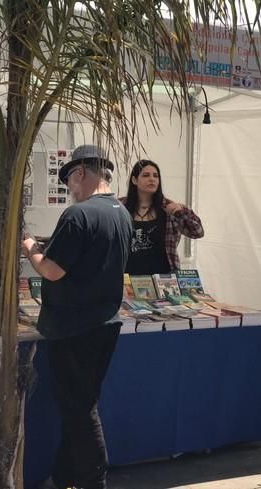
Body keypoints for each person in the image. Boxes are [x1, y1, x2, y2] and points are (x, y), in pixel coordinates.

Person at [22, 145, 133, 489]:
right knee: (82, 404)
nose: (70, 188)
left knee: (79, 410)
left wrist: (30, 248)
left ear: (80, 173)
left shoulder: (78, 215)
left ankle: (91, 480)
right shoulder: (121, 212)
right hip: (104, 323)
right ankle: (65, 474)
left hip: (73, 328)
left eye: (69, 179)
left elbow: (52, 271)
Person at [121, 159, 204, 275]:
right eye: (146, 175)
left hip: (164, 280)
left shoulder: (169, 208)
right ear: (134, 180)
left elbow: (198, 232)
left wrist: (181, 211)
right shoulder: (120, 207)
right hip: (127, 279)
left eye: (156, 176)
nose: (152, 179)